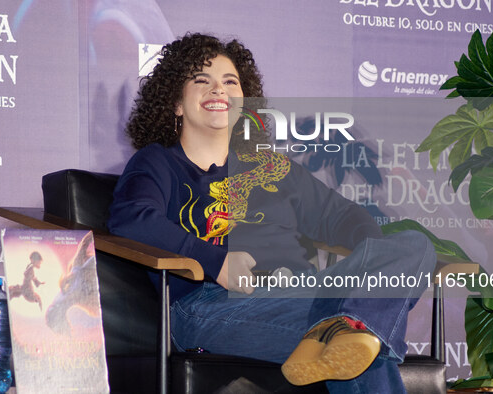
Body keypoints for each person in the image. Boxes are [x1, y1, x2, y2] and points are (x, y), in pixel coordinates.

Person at [108, 32, 436, 392]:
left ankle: (350, 322)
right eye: (202, 80)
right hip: (211, 304)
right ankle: (350, 324)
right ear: (176, 104)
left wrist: (366, 272)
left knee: (414, 244)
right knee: (359, 339)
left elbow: (348, 218)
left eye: (230, 82)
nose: (219, 90)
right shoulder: (158, 163)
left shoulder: (274, 170)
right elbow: (132, 219)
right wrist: (215, 262)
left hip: (304, 291)